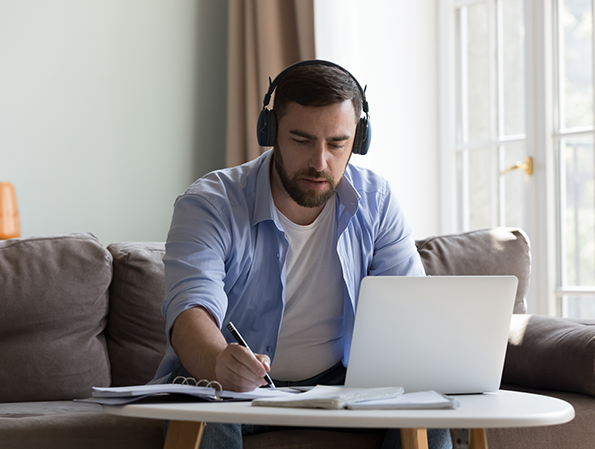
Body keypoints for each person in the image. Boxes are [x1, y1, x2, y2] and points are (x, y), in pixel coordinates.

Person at [152, 60, 452, 449]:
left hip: (341, 384)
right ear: (271, 131)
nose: (320, 162)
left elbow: (412, 309)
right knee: (205, 413)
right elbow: (190, 308)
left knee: (430, 413)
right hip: (226, 384)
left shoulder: (377, 202)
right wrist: (218, 362)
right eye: (302, 140)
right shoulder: (211, 204)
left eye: (337, 144)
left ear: (358, 140)